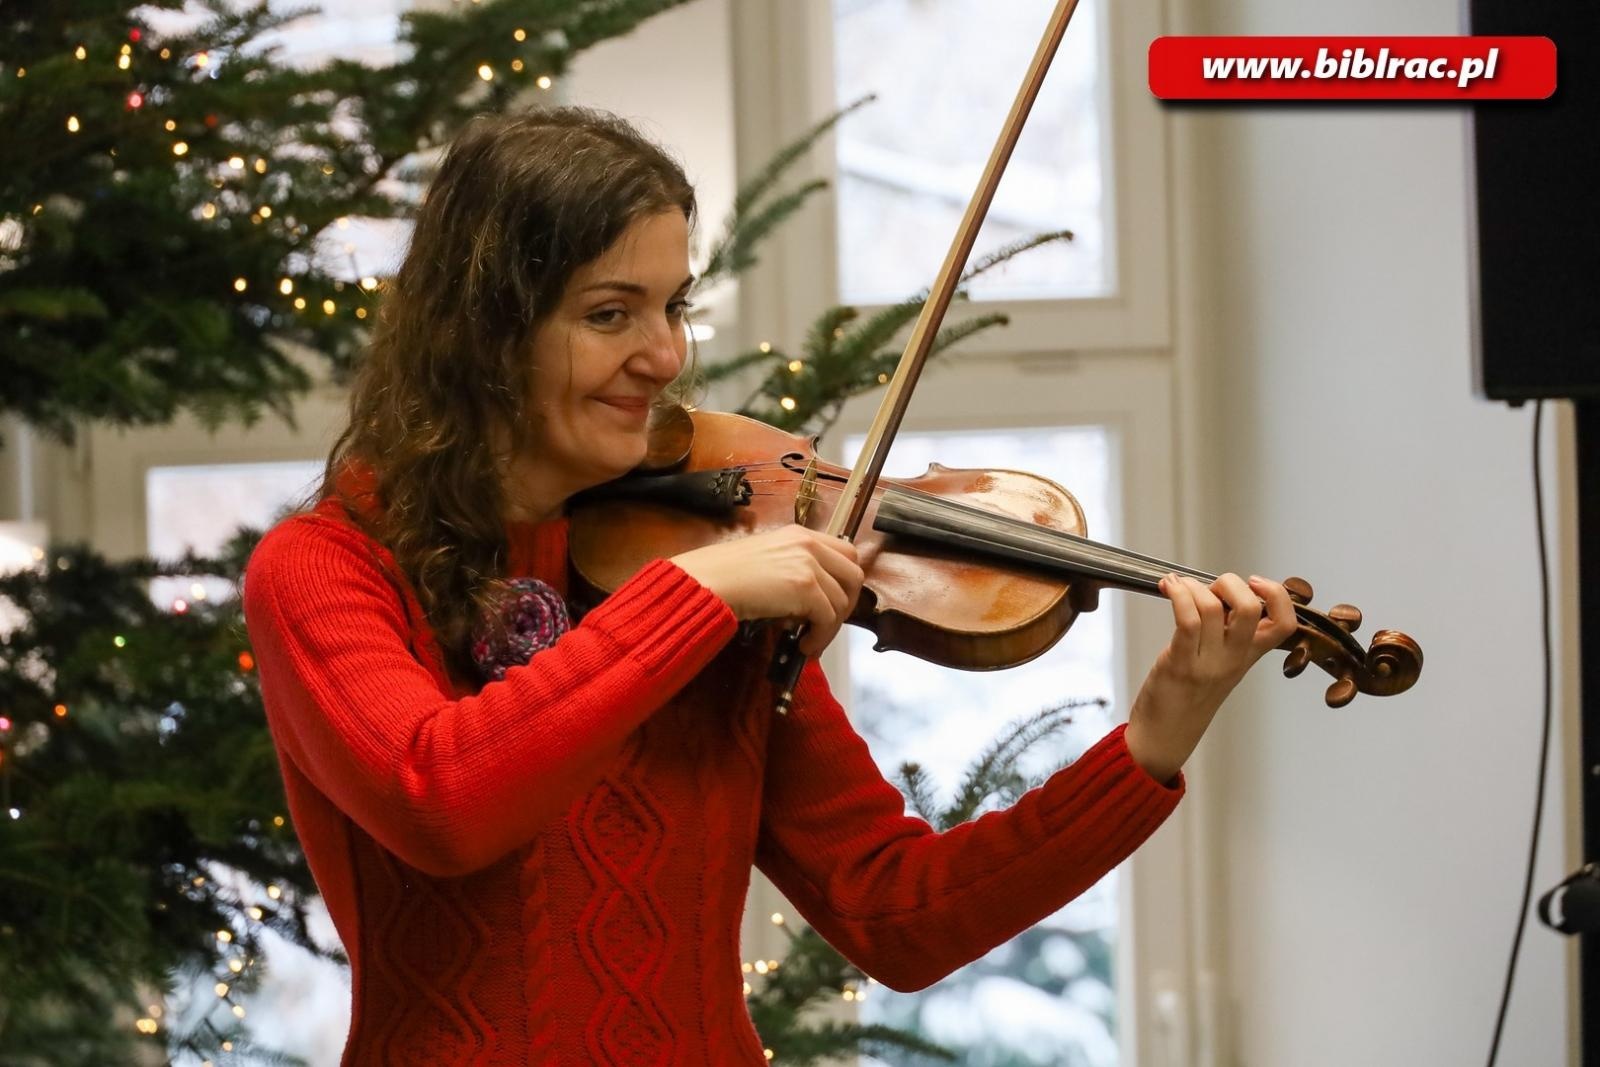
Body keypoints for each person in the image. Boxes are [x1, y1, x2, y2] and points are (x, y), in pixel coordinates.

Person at [242, 106, 1298, 1065]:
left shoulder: (698, 561)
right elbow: (440, 800)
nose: (664, 354)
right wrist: (697, 595)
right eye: (610, 314)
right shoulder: (326, 569)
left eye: (673, 306)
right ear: (484, 330)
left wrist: (1152, 739)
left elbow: (897, 914)